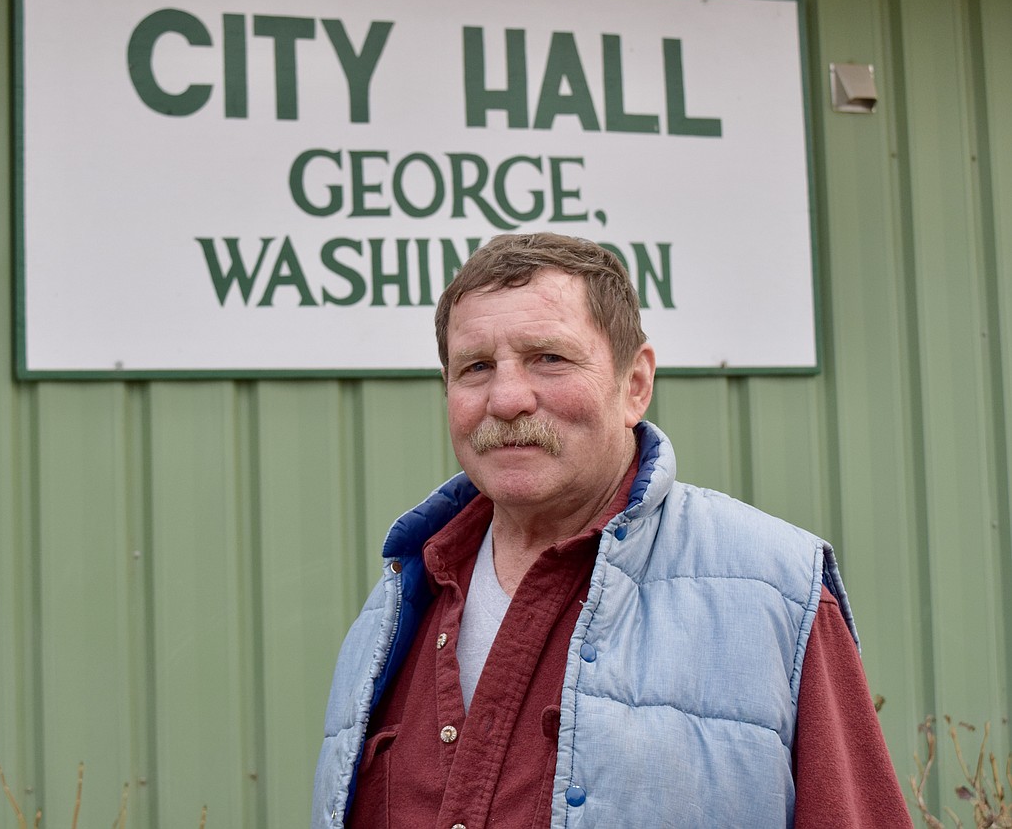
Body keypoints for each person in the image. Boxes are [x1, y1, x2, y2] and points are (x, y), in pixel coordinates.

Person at [311, 232, 911, 828]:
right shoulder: (393, 611)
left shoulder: (779, 592)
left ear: (635, 385)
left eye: (549, 357)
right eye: (476, 367)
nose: (508, 397)